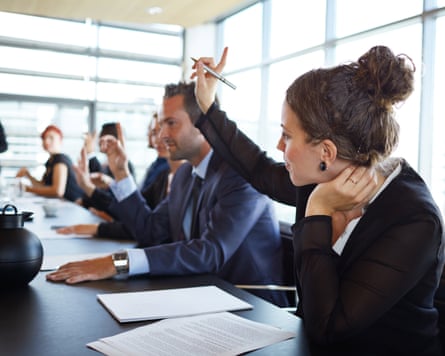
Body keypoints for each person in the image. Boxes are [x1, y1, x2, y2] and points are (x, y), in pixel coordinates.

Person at [191, 46, 445, 355]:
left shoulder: (413, 219)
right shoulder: (321, 175)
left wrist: (318, 212)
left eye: (287, 135)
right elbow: (257, 169)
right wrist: (208, 105)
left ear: (326, 152)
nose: (278, 144)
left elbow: (329, 328)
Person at [47, 81, 288, 306]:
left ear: (204, 124)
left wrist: (120, 262)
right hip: (202, 296)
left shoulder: (239, 176)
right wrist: (121, 174)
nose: (161, 135)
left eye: (171, 123)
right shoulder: (184, 176)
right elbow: (150, 230)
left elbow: (210, 252)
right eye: (162, 124)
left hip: (253, 304)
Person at [56, 113, 184, 240]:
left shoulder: (184, 178)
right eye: (154, 132)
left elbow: (148, 227)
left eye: (170, 125)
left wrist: (98, 228)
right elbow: (132, 212)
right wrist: (88, 188)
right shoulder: (162, 177)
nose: (159, 137)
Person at [15, 125, 83, 202]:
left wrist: (27, 189)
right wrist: (28, 175)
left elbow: (58, 191)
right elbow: (42, 186)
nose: (46, 141)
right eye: (44, 138)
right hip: (62, 203)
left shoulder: (60, 160)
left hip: (73, 205)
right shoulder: (50, 161)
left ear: (60, 140)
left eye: (51, 138)